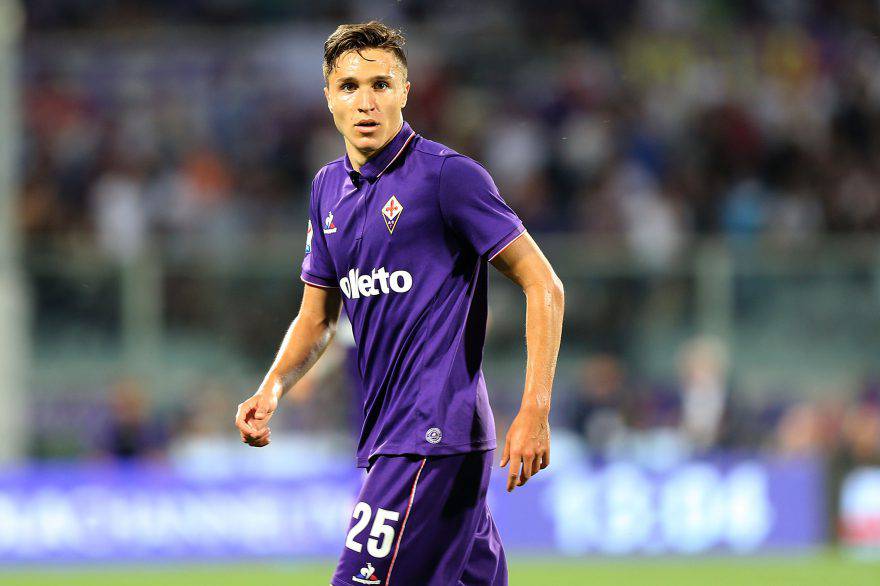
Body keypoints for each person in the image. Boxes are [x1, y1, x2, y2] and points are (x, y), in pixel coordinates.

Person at [234, 21, 564, 586]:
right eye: (349, 86)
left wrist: (535, 407)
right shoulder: (326, 190)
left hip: (431, 434)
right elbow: (318, 317)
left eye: (381, 84)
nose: (365, 102)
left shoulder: (446, 177)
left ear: (406, 92)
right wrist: (273, 386)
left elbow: (544, 285)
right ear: (328, 98)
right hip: (392, 435)